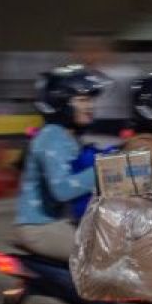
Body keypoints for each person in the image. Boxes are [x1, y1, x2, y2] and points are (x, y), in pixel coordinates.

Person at [13, 66, 110, 261]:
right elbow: (62, 189)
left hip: (56, 223)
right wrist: (106, 170)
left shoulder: (68, 136)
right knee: (104, 255)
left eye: (90, 100)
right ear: (61, 104)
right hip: (39, 227)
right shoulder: (52, 136)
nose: (90, 106)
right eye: (82, 100)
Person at [68, 30, 141, 138]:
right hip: (83, 132)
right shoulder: (72, 76)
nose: (88, 54)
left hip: (120, 131)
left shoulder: (128, 75)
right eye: (82, 49)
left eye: (94, 49)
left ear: (107, 50)